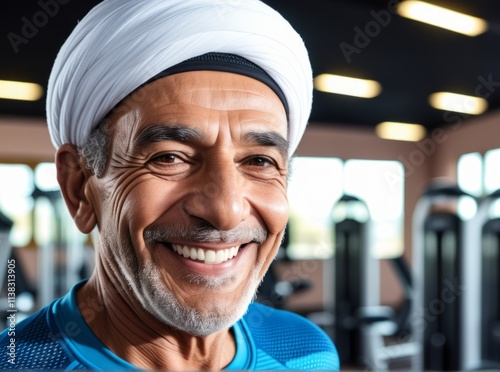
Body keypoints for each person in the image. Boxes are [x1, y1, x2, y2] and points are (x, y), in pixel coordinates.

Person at [0, 0, 340, 369]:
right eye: (169, 158)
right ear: (79, 186)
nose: (226, 211)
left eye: (259, 161)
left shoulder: (307, 351)